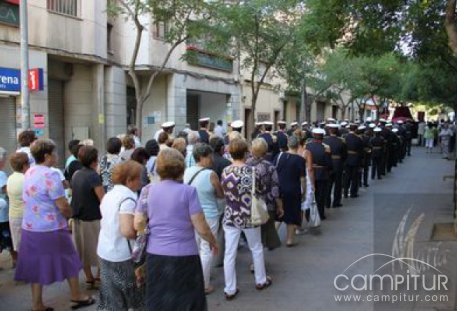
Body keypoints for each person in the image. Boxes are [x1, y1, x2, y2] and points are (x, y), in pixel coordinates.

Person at [14, 139, 95, 311]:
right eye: (54, 153)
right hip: (51, 227)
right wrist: (71, 214)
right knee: (69, 259)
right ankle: (76, 295)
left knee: (36, 264)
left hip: (30, 226)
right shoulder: (50, 175)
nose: (57, 156)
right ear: (47, 156)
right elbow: (62, 205)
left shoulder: (29, 172)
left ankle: (37, 304)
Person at [134, 148, 218, 310]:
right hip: (185, 255)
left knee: (159, 301)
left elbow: (138, 222)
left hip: (156, 254)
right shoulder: (188, 192)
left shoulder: (147, 191)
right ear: (181, 168)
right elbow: (201, 226)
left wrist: (147, 232)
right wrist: (213, 242)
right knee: (187, 300)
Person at [221, 138, 272, 300]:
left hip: (230, 215)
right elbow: (261, 190)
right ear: (245, 153)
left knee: (229, 253)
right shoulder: (252, 171)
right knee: (256, 248)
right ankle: (260, 280)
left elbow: (224, 191)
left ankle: (229, 288)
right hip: (249, 215)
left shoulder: (225, 171)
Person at [97, 160, 145, 311]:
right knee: (133, 296)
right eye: (139, 178)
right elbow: (127, 231)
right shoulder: (128, 198)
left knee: (111, 297)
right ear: (129, 180)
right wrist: (143, 230)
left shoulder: (110, 194)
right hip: (122, 255)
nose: (141, 181)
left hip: (105, 250)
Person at [184, 144, 224, 294]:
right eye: (209, 156)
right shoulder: (210, 174)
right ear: (202, 157)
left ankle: (196, 278)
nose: (211, 159)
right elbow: (220, 194)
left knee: (196, 247)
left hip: (192, 215)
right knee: (206, 249)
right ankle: (204, 284)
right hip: (209, 215)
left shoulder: (187, 172)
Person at [71, 146, 105, 289]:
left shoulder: (76, 174)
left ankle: (89, 278)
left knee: (82, 250)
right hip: (93, 218)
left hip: (77, 218)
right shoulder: (93, 176)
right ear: (94, 160)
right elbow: (102, 199)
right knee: (99, 249)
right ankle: (98, 277)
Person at [246, 138, 283, 250]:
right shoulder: (270, 166)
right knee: (265, 231)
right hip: (266, 204)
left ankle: (255, 259)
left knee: (253, 234)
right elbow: (275, 188)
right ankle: (257, 260)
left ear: (252, 150)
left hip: (249, 204)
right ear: (265, 151)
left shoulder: (245, 165)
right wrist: (280, 206)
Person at [275, 136, 307, 243]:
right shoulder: (300, 160)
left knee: (279, 213)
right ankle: (289, 239)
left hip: (280, 188)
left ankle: (273, 237)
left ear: (288, 145)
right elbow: (302, 179)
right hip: (294, 189)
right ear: (298, 146)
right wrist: (304, 192)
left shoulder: (279, 156)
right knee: (292, 213)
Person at [306, 128, 332, 220]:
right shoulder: (326, 148)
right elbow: (329, 163)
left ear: (313, 136)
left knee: (310, 194)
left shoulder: (308, 146)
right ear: (322, 137)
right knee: (321, 196)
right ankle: (320, 214)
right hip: (322, 174)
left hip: (310, 172)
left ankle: (308, 215)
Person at [7, 152, 29, 258]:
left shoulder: (10, 178)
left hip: (13, 216)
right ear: (24, 165)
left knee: (19, 246)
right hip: (26, 216)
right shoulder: (26, 179)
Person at [323, 124, 347, 208]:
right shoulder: (341, 141)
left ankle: (327, 202)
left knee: (328, 184)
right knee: (338, 184)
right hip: (338, 163)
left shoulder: (325, 140)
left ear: (329, 130)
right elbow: (344, 155)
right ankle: (336, 202)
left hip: (328, 163)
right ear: (337, 131)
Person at [0, 148, 16, 266]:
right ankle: (16, 260)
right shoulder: (1, 174)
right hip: (3, 214)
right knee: (9, 238)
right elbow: (6, 190)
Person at [344, 124, 364, 198]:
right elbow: (361, 151)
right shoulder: (358, 139)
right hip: (356, 159)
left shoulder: (345, 137)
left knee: (347, 176)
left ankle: (345, 192)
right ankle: (353, 193)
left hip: (347, 159)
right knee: (355, 177)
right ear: (356, 129)